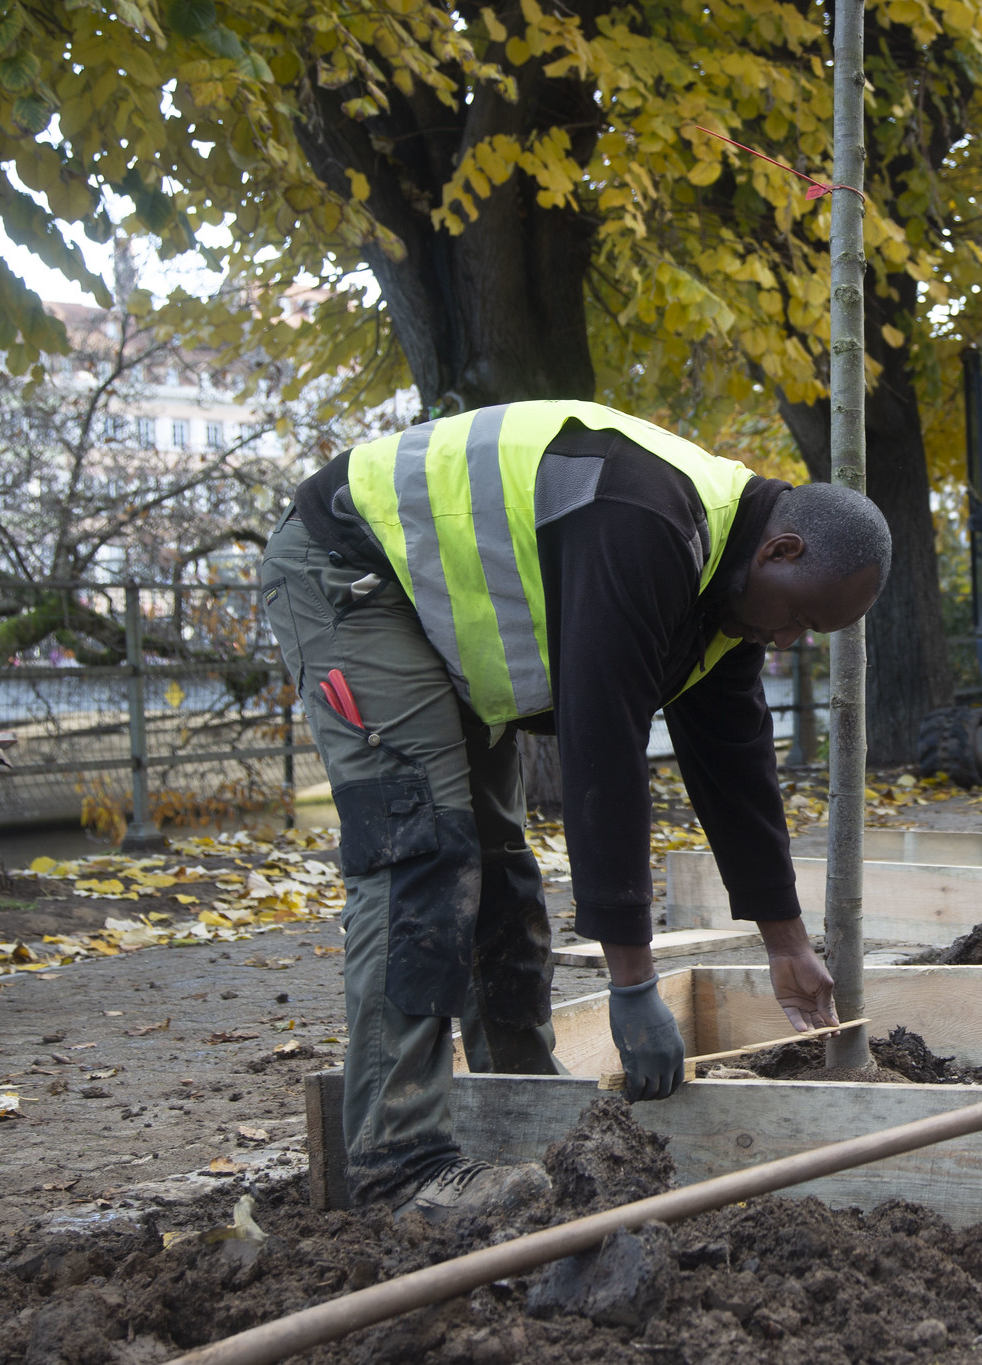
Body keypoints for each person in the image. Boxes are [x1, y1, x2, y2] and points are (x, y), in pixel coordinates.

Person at [260, 401, 890, 1220]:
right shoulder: (643, 522)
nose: (790, 640)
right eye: (800, 617)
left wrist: (787, 941)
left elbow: (735, 766)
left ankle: (521, 1106)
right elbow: (603, 746)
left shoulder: (724, 586)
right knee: (421, 854)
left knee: (495, 864)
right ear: (782, 549)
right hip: (350, 576)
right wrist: (631, 983)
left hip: (423, 616)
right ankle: (397, 1167)